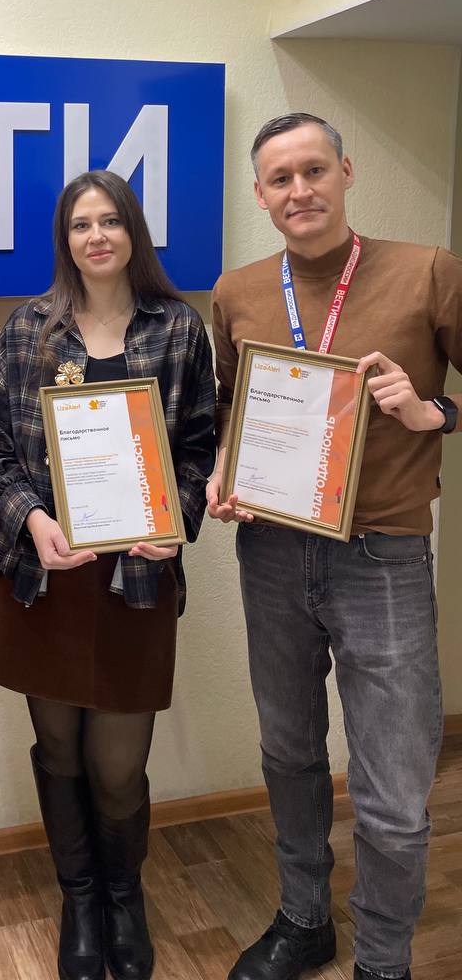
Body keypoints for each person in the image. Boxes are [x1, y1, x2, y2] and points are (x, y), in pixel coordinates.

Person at [208, 113, 462, 980]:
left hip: (381, 558)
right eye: (280, 179)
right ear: (260, 194)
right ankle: (304, 919)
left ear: (346, 172)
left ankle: (384, 960)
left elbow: (446, 403)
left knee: (391, 790)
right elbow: (230, 408)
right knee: (289, 753)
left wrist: (432, 412)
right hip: (273, 553)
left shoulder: (429, 271)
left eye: (314, 170)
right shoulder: (238, 290)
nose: (300, 190)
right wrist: (223, 470)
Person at [0, 170, 216, 980]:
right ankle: (79, 898)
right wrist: (32, 521)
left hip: (136, 586)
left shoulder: (178, 329)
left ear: (132, 231)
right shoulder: (29, 330)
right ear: (65, 240)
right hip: (46, 581)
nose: (97, 236)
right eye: (81, 224)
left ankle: (123, 895)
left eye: (110, 220)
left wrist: (176, 520)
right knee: (60, 752)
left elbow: (199, 448)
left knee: (117, 767)